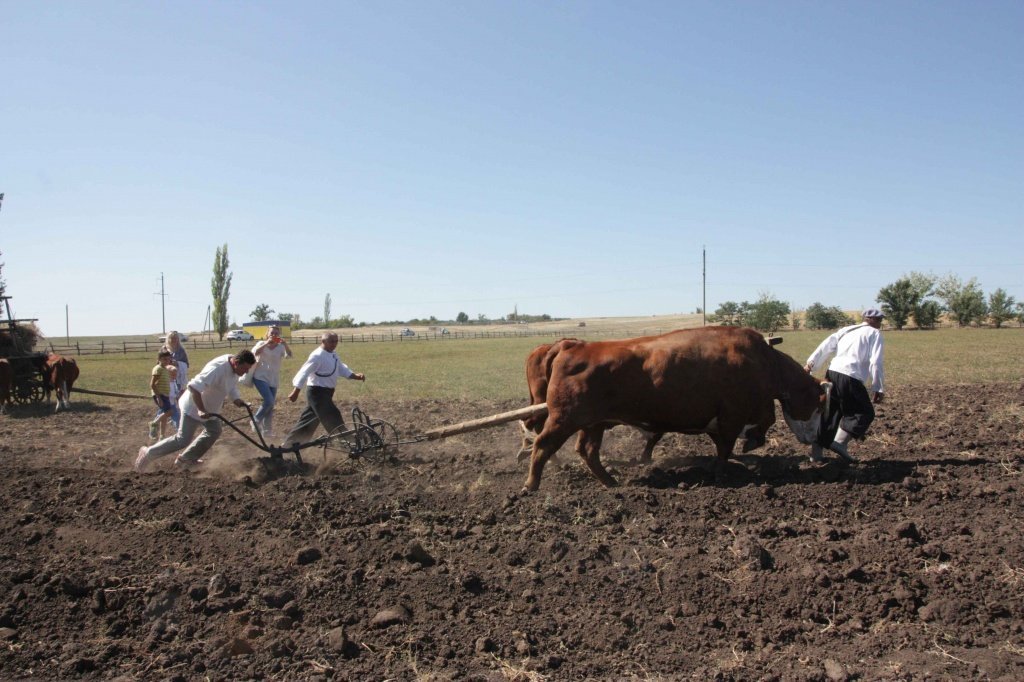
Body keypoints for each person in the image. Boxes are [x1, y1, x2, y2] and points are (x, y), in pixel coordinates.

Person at [134, 349, 256, 472]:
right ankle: (148, 453)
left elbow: (230, 384)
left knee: (214, 431)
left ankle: (186, 459)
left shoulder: (235, 369)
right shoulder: (218, 369)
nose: (246, 372)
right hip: (193, 406)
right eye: (245, 369)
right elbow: (194, 387)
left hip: (211, 408)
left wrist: (236, 399)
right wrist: (201, 410)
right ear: (236, 363)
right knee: (183, 439)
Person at [804, 308, 886, 463]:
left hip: (832, 373)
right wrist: (878, 387)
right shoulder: (875, 334)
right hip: (850, 376)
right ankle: (840, 443)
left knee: (830, 413)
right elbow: (876, 362)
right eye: (880, 320)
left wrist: (811, 364)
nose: (880, 323)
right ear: (873, 320)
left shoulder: (847, 330)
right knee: (864, 412)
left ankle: (816, 454)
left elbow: (826, 346)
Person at [280, 332, 365, 450]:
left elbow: (341, 368)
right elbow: (304, 372)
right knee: (333, 415)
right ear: (323, 342)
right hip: (317, 393)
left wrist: (355, 376)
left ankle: (288, 445)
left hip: (326, 393)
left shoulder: (333, 355)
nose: (334, 344)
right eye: (331, 341)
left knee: (308, 421)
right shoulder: (317, 356)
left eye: (336, 341)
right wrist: (296, 391)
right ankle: (348, 442)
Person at [248, 325, 293, 438]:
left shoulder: (280, 347)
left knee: (271, 405)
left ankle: (267, 431)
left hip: (273, 378)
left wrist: (285, 344)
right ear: (267, 334)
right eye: (272, 333)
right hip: (260, 376)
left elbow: (289, 356)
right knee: (269, 400)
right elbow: (254, 353)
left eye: (276, 333)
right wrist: (266, 343)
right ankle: (255, 420)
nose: (274, 335)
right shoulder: (261, 344)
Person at [148, 349, 176, 440]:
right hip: (160, 394)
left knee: (164, 415)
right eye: (164, 359)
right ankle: (154, 423)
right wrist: (159, 398)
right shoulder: (158, 369)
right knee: (170, 412)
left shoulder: (165, 369)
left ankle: (162, 436)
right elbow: (152, 384)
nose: (166, 361)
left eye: (168, 359)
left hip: (165, 395)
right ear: (159, 359)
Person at [165, 331, 190, 427]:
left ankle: (181, 417)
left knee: (180, 397)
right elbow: (159, 363)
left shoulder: (181, 351)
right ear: (168, 339)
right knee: (169, 399)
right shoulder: (164, 349)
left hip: (178, 378)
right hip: (167, 378)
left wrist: (178, 364)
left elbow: (186, 364)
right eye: (172, 338)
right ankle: (171, 416)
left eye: (176, 338)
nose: (174, 340)